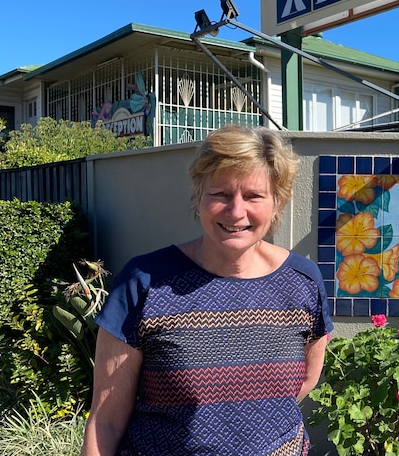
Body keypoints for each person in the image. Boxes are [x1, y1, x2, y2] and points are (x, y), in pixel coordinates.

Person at [81, 125, 333, 455]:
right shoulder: (145, 281)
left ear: (277, 203)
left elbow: (303, 381)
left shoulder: (303, 281)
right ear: (199, 195)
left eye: (254, 196)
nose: (236, 211)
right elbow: (106, 421)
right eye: (221, 194)